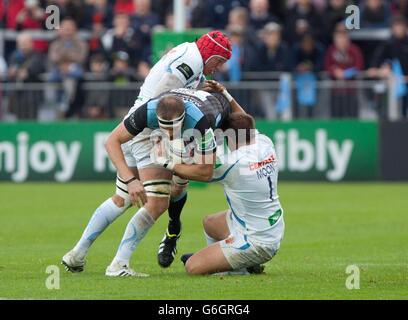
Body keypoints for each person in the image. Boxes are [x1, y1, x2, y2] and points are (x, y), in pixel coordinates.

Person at [61, 31, 232, 274]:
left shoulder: (188, 51)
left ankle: (77, 254)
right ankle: (119, 264)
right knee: (158, 201)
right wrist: (165, 141)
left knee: (122, 198)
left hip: (140, 119)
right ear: (212, 54)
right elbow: (163, 99)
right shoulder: (191, 62)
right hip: (152, 128)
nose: (219, 68)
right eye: (220, 61)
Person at [174, 81, 284, 275]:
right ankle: (227, 260)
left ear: (231, 138)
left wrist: (169, 164)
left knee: (192, 267)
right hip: (271, 227)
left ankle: (235, 268)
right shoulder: (263, 142)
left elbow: (200, 171)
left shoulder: (232, 163)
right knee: (210, 223)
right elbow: (243, 119)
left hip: (256, 241)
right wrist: (225, 93)